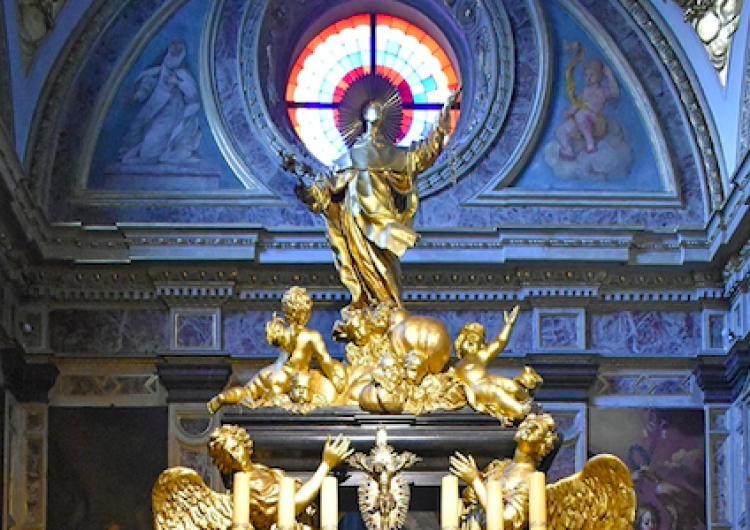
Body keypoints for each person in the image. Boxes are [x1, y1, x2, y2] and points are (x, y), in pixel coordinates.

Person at [296, 88, 461, 310]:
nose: (377, 110)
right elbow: (324, 193)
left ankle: (388, 307)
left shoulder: (394, 155)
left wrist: (443, 117)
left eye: (380, 108)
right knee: (362, 264)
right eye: (372, 107)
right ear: (362, 115)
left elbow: (423, 155)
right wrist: (308, 191)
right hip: (354, 219)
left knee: (385, 266)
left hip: (382, 217)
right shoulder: (348, 158)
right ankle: (374, 306)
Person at [152, 424, 353, 530]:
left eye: (235, 448)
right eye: (227, 455)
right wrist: (325, 465)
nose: (234, 455)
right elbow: (291, 507)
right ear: (223, 462)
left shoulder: (264, 471)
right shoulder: (244, 491)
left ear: (244, 445)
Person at [207, 286, 346, 413]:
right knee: (271, 414)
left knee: (247, 392)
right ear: (307, 313)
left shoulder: (284, 333)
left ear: (286, 313)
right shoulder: (311, 336)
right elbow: (325, 361)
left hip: (272, 372)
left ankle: (224, 397)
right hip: (289, 379)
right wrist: (339, 383)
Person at [449, 413, 559, 530]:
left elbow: (506, 520)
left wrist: (475, 481)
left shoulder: (531, 481)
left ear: (541, 447)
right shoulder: (499, 466)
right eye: (527, 423)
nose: (528, 428)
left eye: (536, 429)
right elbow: (469, 497)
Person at [453, 307, 542, 423]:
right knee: (495, 391)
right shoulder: (457, 365)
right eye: (467, 341)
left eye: (475, 341)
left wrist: (508, 325)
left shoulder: (480, 356)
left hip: (488, 378)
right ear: (459, 344)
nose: (471, 343)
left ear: (481, 346)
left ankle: (527, 400)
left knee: (512, 386)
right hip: (476, 386)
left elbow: (499, 342)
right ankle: (519, 410)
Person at [119, 39, 202, 164]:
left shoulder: (182, 74)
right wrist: (136, 97)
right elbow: (148, 85)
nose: (174, 52)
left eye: (178, 50)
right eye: (173, 49)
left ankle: (155, 157)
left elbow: (193, 95)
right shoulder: (160, 70)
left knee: (153, 139)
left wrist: (178, 83)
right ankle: (144, 155)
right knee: (141, 130)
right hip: (155, 108)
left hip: (173, 112)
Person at [554, 54, 619, 159]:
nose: (588, 78)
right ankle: (568, 150)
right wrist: (569, 112)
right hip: (580, 121)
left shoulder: (602, 91)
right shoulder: (584, 91)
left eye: (592, 75)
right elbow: (576, 104)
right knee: (560, 130)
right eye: (586, 75)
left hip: (596, 122)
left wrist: (610, 75)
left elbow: (614, 93)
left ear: (599, 75)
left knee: (581, 114)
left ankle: (590, 144)